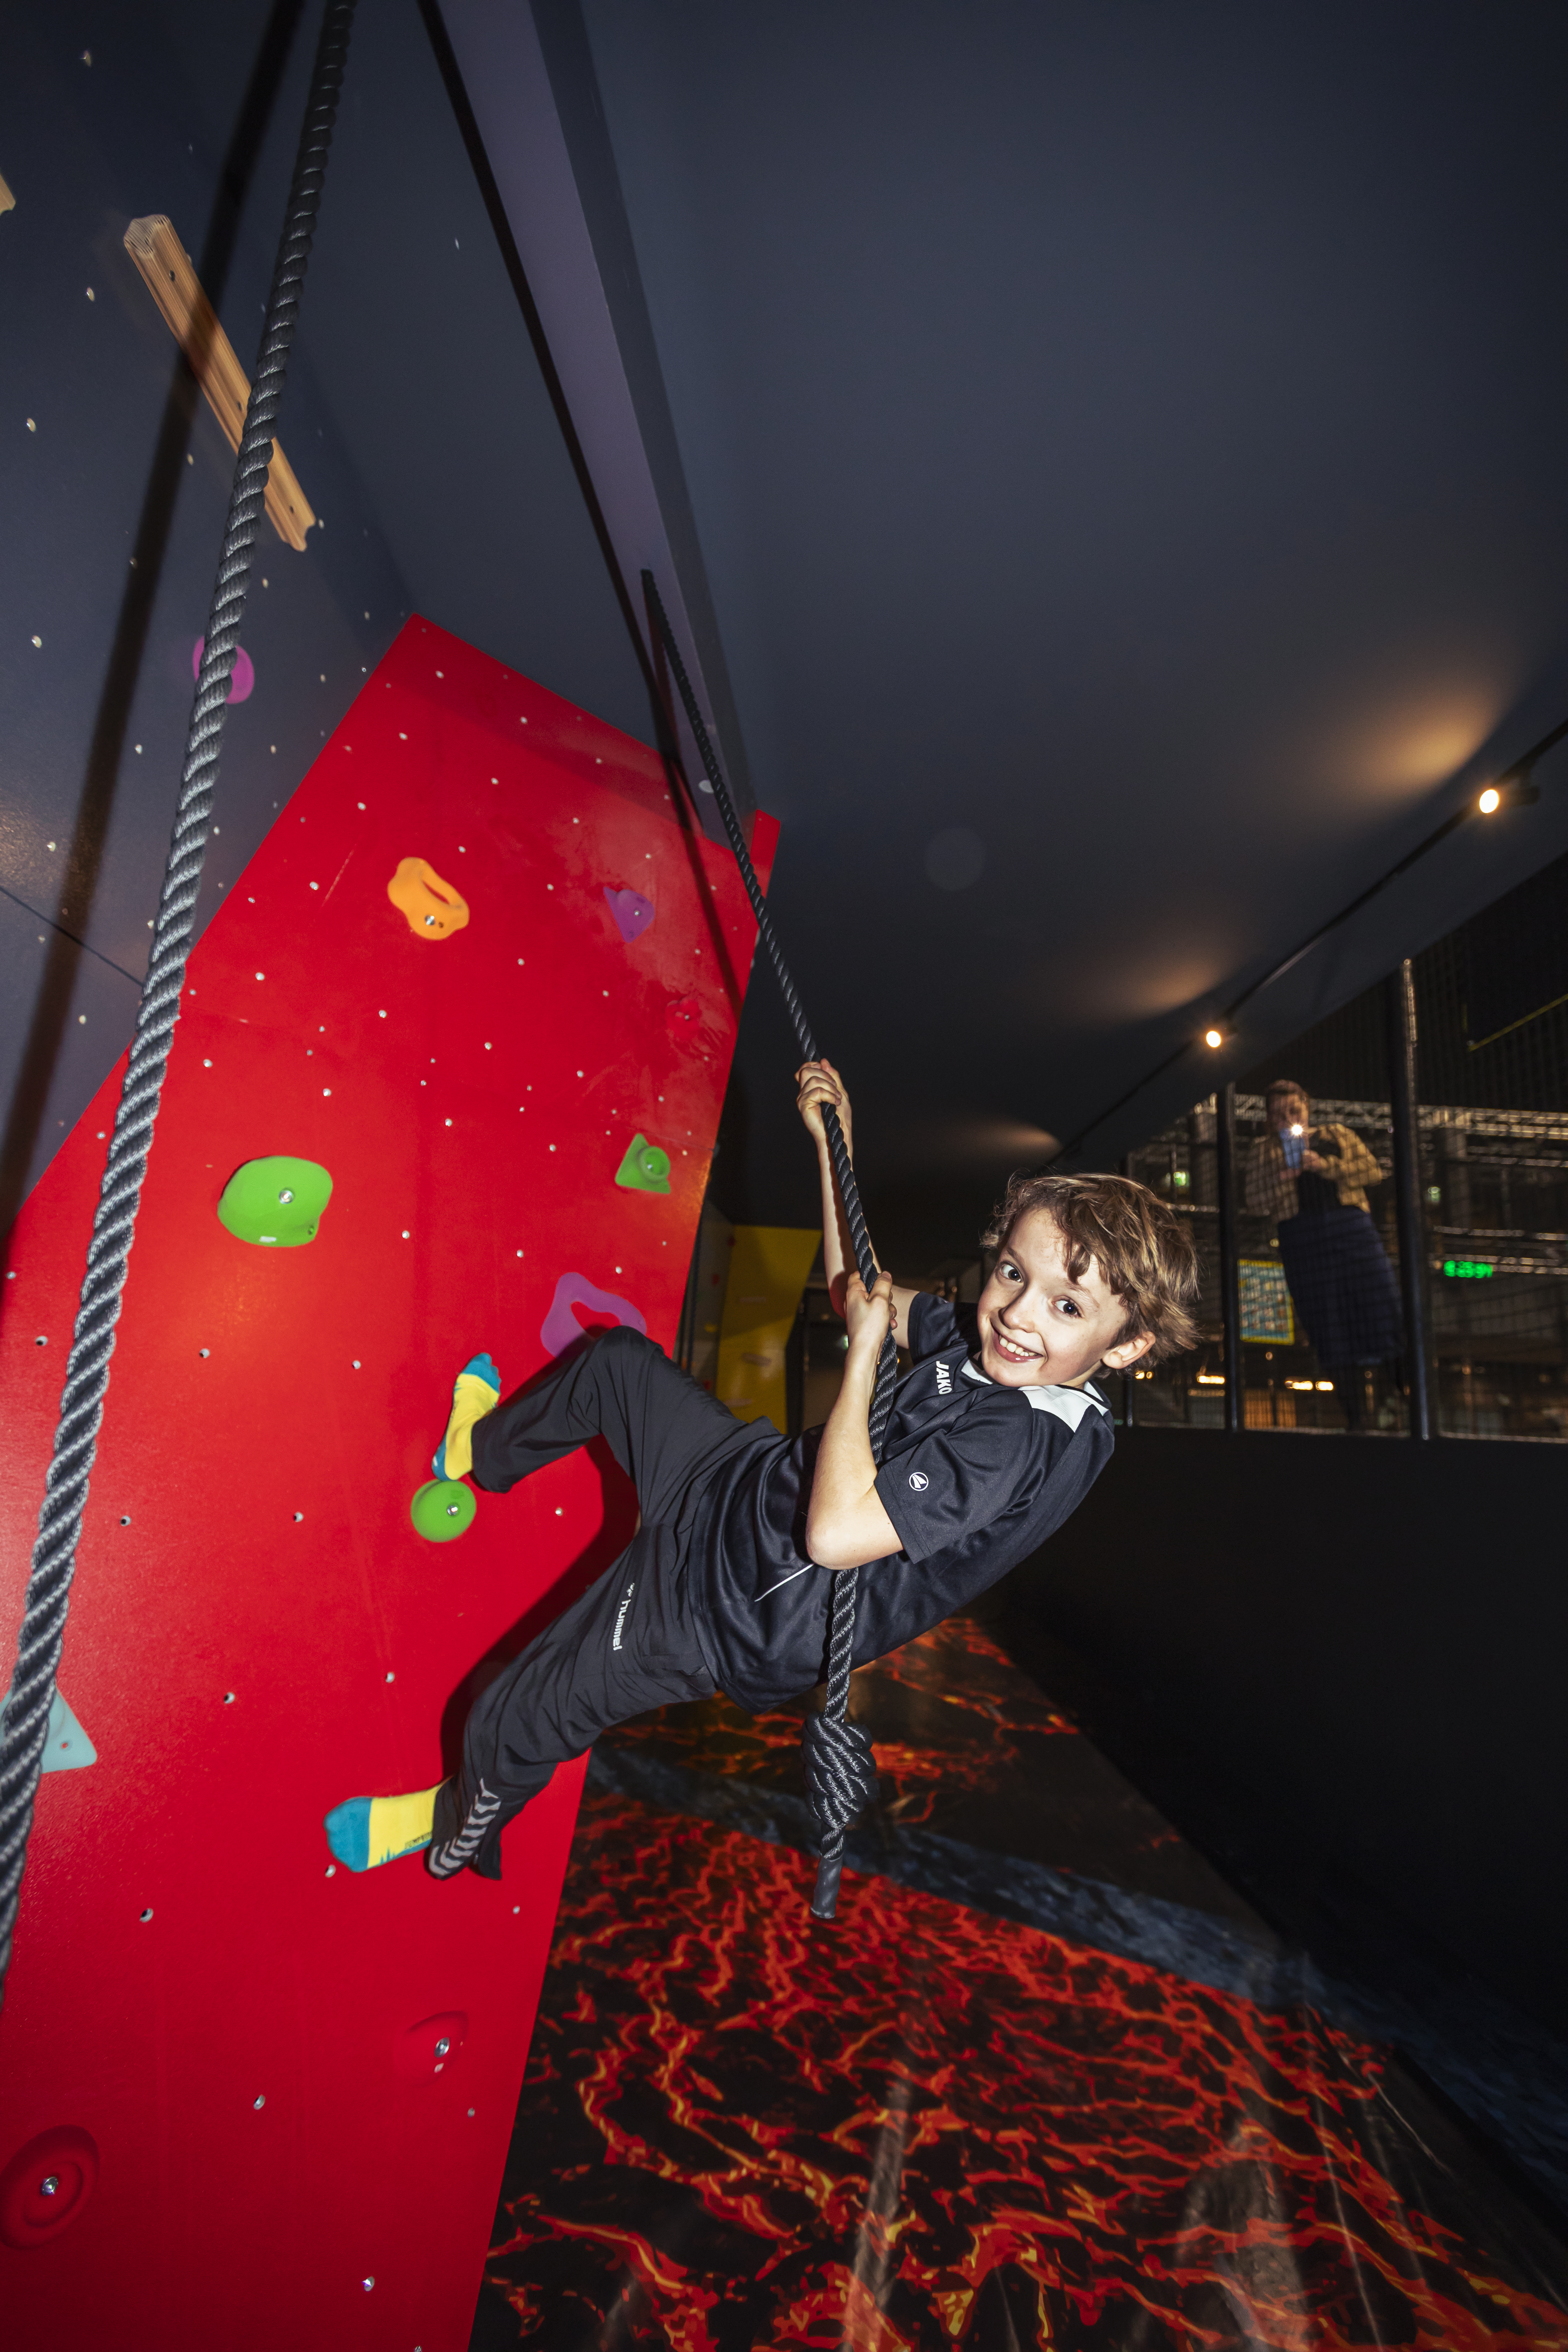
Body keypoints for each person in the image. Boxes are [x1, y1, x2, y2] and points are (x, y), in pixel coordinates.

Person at [324, 1063, 1200, 1879]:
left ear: (1125, 1347)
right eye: (1014, 1270)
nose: (1015, 1312)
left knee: (518, 1711)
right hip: (736, 1485)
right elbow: (857, 1289)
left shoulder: (1025, 1440)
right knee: (617, 1367)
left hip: (724, 1605)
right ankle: (477, 1455)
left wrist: (861, 1357)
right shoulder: (990, 1346)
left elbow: (836, 1535)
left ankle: (452, 1826)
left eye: (1066, 1305)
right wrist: (836, 1148)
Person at [1245, 1078, 1402, 1429]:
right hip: (1302, 1237)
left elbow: (1372, 1171)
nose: (1286, 1117)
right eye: (1277, 1114)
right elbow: (1254, 1202)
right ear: (1268, 1119)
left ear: (1306, 1105)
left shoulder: (1337, 1132)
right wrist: (1285, 1176)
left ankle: (1407, 1401)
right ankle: (1356, 1418)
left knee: (1381, 1305)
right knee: (1325, 1319)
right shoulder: (1262, 1148)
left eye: (1293, 1109)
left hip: (1352, 1228)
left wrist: (1325, 1166)